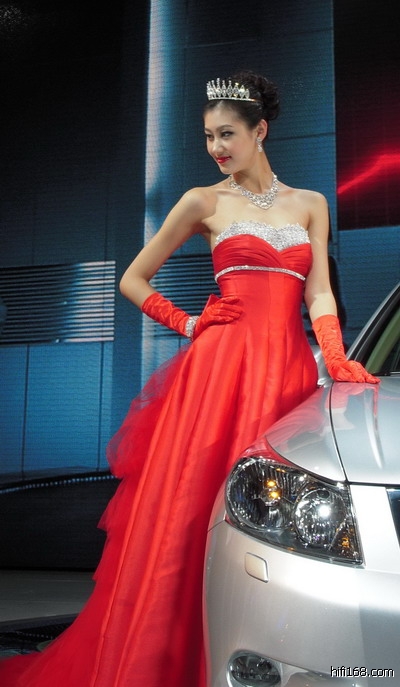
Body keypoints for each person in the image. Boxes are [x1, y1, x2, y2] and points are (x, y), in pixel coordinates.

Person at [0, 69, 379, 687]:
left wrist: (334, 355)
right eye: (208, 137)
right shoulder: (204, 201)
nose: (216, 148)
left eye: (227, 134)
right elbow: (132, 278)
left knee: (275, 514)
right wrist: (189, 321)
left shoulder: (311, 203)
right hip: (218, 375)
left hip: (285, 372)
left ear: (260, 130)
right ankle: (169, 661)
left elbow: (318, 293)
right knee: (192, 513)